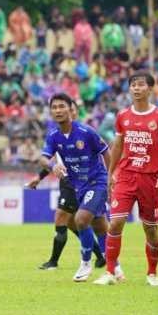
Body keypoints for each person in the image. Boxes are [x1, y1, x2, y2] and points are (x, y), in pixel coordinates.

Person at [94, 72, 158, 287]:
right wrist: (111, 173)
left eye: (140, 85)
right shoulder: (122, 116)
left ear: (150, 89)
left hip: (150, 178)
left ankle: (152, 273)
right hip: (127, 176)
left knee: (150, 229)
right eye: (133, 85)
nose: (136, 88)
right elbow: (118, 146)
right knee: (116, 223)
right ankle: (111, 272)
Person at [27, 101, 113, 273]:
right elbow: (53, 160)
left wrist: (110, 177)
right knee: (74, 223)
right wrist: (39, 176)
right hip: (68, 183)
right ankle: (96, 256)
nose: (63, 112)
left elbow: (105, 151)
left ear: (73, 112)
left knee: (90, 222)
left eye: (68, 109)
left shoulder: (84, 133)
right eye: (56, 108)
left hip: (92, 182)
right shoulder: (56, 136)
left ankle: (102, 260)